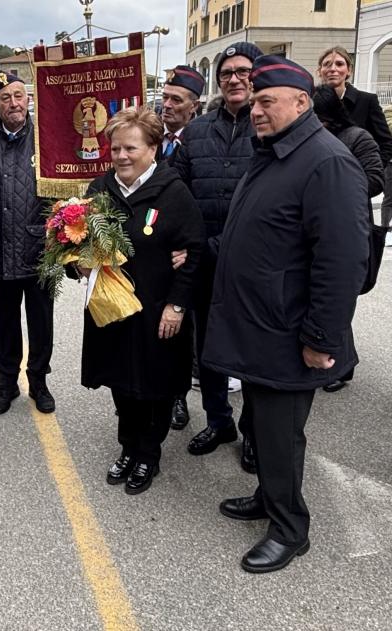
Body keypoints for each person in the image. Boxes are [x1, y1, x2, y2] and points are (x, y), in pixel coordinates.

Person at [204, 56, 369, 573]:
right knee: (265, 427)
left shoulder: (327, 161)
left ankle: (290, 529)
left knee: (280, 431)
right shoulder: (276, 152)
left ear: (301, 102)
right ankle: (269, 495)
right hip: (261, 326)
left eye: (266, 100)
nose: (255, 110)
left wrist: (321, 337)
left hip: (290, 331)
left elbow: (343, 261)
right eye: (254, 101)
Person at [79, 107, 204, 495]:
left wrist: (177, 305)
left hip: (156, 310)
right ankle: (128, 447)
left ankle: (149, 453)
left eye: (130, 148)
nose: (121, 156)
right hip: (113, 310)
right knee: (121, 382)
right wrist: (78, 264)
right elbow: (78, 242)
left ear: (153, 148)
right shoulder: (100, 190)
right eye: (115, 148)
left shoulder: (174, 192)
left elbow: (194, 252)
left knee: (156, 385)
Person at [172, 42, 262, 470]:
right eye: (226, 73)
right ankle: (219, 420)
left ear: (256, 75)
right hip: (205, 260)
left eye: (242, 71)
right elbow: (179, 191)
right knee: (209, 348)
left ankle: (253, 433)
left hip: (252, 264)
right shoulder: (197, 131)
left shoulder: (269, 127)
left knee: (250, 353)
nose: (234, 79)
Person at [316, 45, 392, 392]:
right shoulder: (313, 121)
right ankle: (330, 355)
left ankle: (340, 363)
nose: (333, 68)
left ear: (348, 69)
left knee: (338, 290)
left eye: (339, 63)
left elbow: (377, 166)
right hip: (317, 221)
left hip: (350, 216)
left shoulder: (363, 110)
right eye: (327, 63)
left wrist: (347, 178)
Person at [0, 70, 54, 415]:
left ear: (28, 98)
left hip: (40, 247)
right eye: (5, 98)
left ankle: (39, 381)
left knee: (41, 319)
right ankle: (7, 382)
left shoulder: (46, 138)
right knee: (6, 319)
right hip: (1, 248)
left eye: (18, 95)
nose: (13, 103)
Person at [158, 65, 205, 164]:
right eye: (165, 97)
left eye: (176, 100)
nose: (166, 105)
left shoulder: (203, 142)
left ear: (194, 106)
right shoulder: (148, 133)